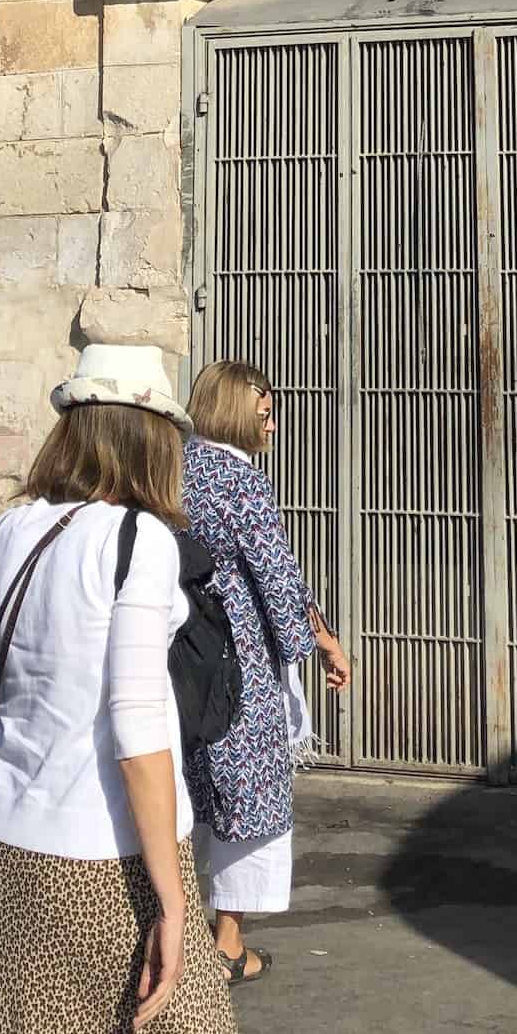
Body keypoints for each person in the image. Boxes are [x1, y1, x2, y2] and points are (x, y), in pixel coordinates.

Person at [0, 343, 307, 1034]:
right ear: (152, 437)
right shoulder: (137, 542)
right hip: (113, 862)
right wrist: (176, 905)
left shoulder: (8, 530)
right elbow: (140, 737)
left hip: (8, 855)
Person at [182, 363, 350, 986]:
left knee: (194, 787)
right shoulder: (239, 480)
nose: (274, 423)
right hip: (239, 659)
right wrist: (321, 644)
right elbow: (276, 580)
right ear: (234, 412)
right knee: (250, 795)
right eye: (265, 412)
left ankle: (173, 927)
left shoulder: (177, 467)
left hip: (181, 655)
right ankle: (226, 943)